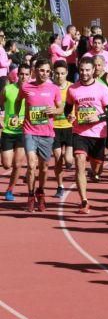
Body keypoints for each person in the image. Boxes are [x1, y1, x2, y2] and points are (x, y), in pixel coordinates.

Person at [65, 57, 108, 214]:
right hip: (80, 132)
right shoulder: (73, 89)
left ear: (93, 70)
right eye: (82, 70)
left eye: (87, 70)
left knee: (97, 167)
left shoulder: (102, 88)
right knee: (79, 161)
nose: (84, 73)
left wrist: (98, 117)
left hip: (98, 134)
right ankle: (84, 201)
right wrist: (70, 116)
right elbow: (67, 109)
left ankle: (95, 171)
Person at [14, 58, 64, 212]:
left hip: (47, 133)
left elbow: (61, 107)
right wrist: (16, 114)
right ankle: (30, 195)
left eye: (48, 71)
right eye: (42, 70)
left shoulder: (54, 88)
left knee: (44, 167)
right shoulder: (26, 86)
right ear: (35, 70)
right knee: (31, 164)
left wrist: (54, 111)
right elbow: (18, 101)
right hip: (29, 131)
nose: (45, 73)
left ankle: (40, 192)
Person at [0, 64, 30, 202]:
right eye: (21, 74)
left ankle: (10, 190)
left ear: (30, 75)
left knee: (17, 164)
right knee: (6, 164)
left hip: (23, 132)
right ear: (17, 75)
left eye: (26, 74)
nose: (23, 77)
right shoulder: (8, 89)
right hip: (7, 131)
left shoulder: (31, 90)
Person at [51, 62, 74, 198]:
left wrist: (74, 115)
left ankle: (70, 162)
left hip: (69, 127)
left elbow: (77, 104)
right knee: (58, 159)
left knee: (69, 160)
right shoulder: (50, 88)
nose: (59, 76)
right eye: (57, 73)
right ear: (54, 73)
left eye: (62, 73)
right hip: (54, 128)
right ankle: (60, 186)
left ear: (66, 73)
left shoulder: (72, 87)